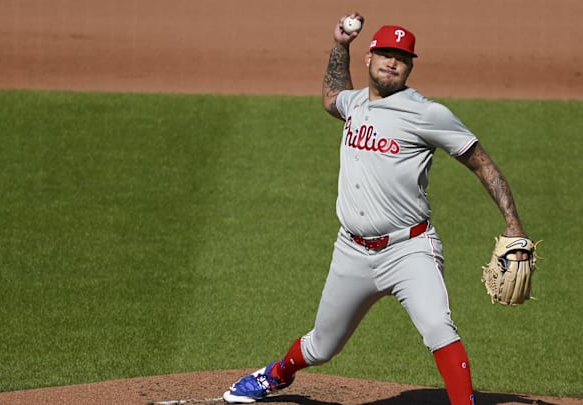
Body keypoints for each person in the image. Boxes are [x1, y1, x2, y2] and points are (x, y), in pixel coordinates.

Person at [222, 13, 529, 405]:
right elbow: (332, 97)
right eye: (385, 53)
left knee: (438, 327)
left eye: (401, 57)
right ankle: (277, 374)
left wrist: (513, 224)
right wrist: (340, 45)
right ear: (369, 59)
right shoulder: (355, 105)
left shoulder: (428, 114)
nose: (392, 62)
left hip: (409, 249)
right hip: (352, 250)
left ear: (410, 66)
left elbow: (482, 162)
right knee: (321, 346)